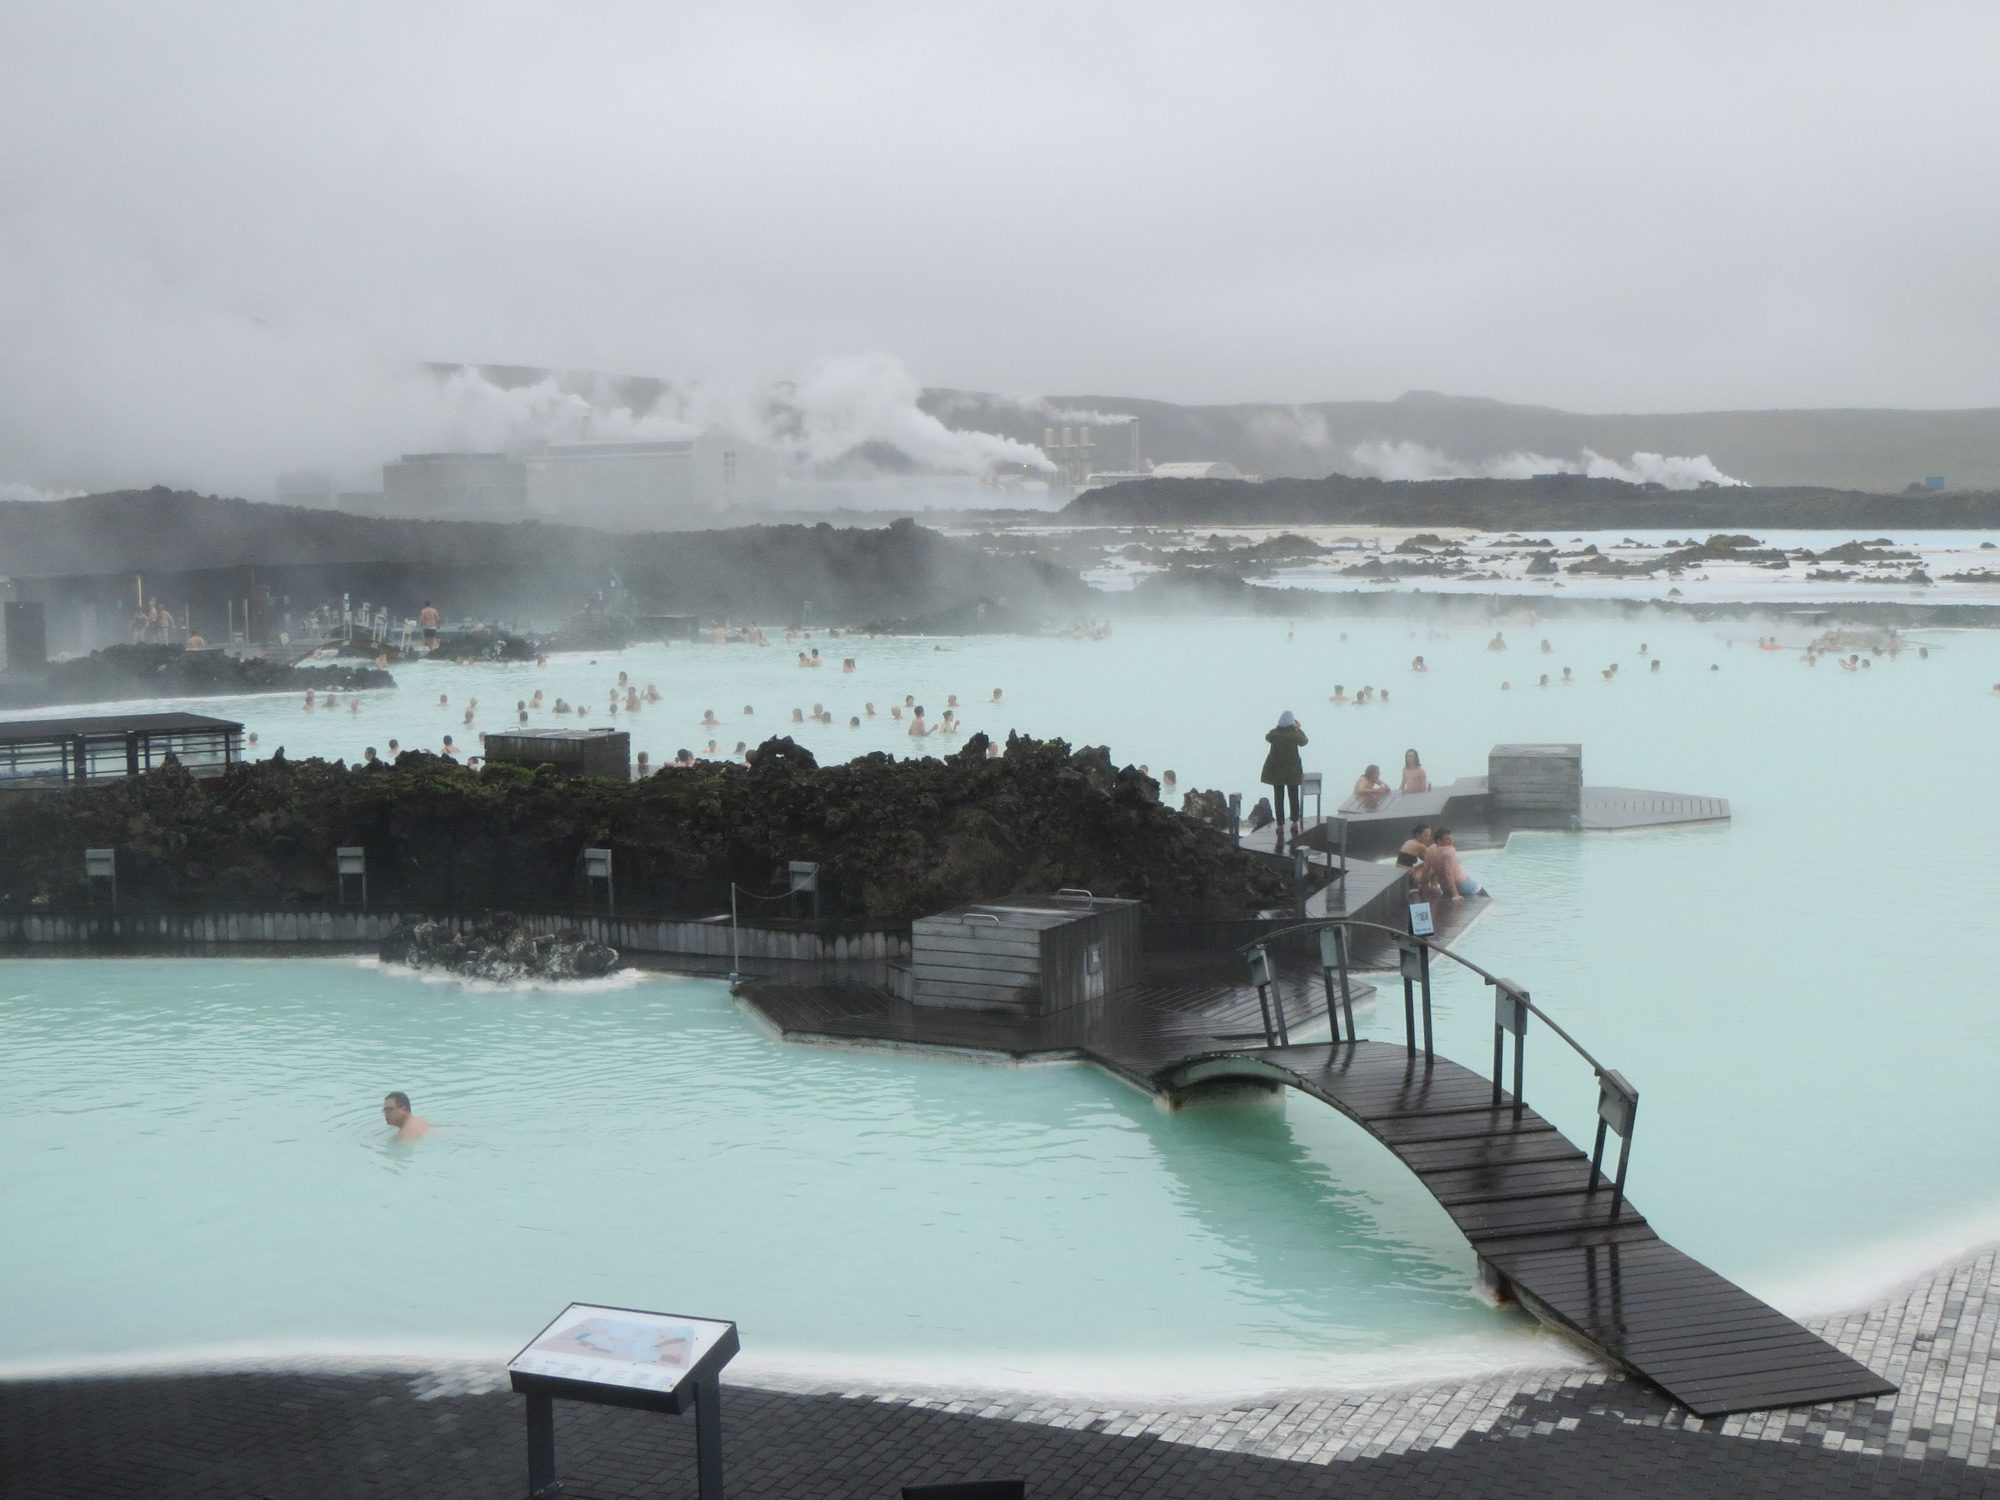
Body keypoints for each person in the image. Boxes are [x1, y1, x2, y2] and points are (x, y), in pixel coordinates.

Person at [1260, 710, 1308, 835]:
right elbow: (1304, 741)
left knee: (1278, 797)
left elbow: (1267, 737)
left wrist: (1277, 727)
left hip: (1277, 771)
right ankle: (1294, 823)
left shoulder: (1274, 734)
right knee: (1293, 796)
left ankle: (1280, 825)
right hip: (1292, 770)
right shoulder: (1294, 734)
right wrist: (1298, 729)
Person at [1421, 828, 1485, 901]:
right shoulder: (1449, 851)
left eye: (1451, 838)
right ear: (1439, 841)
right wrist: (1455, 894)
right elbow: (1448, 873)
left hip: (1445, 887)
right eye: (1447, 839)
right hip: (1462, 885)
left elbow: (1425, 870)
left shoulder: (1430, 849)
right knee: (1483, 894)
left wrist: (1421, 888)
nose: (1451, 841)